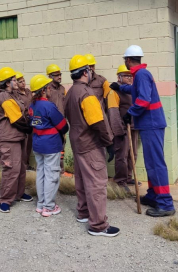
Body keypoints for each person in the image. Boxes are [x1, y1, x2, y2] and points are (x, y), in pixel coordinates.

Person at [110, 45, 176, 217]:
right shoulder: (140, 75)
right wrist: (119, 87)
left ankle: (165, 203)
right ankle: (154, 195)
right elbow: (135, 90)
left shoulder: (141, 75)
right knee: (151, 164)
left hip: (152, 124)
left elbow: (144, 99)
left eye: (125, 60)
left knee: (156, 164)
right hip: (149, 125)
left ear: (128, 60)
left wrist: (129, 114)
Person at [64, 55, 119, 237]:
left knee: (82, 178)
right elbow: (98, 123)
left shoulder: (70, 92)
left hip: (77, 142)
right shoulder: (87, 94)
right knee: (96, 183)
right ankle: (98, 225)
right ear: (86, 72)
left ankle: (84, 213)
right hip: (90, 144)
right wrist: (109, 142)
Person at [0, 67, 33, 213]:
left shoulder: (14, 95)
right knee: (12, 168)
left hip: (17, 136)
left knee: (21, 166)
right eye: (14, 80)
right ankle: (5, 199)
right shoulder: (4, 96)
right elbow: (16, 119)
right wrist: (31, 128)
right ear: (7, 83)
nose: (16, 82)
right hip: (7, 137)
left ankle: (18, 193)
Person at [29, 74, 69, 217]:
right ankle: (49, 207)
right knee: (52, 175)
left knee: (41, 173)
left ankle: (41, 204)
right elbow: (63, 126)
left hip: (38, 144)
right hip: (51, 144)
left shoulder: (32, 105)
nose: (50, 90)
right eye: (49, 88)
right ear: (44, 89)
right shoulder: (48, 105)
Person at [107, 65, 138, 190]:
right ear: (119, 77)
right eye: (126, 76)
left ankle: (128, 177)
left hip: (134, 128)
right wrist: (119, 130)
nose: (129, 78)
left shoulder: (132, 90)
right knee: (122, 156)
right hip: (123, 130)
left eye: (131, 76)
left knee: (133, 154)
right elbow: (113, 113)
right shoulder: (113, 92)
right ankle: (120, 180)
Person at [46, 64, 66, 172]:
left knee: (61, 146)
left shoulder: (62, 89)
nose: (59, 77)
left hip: (61, 123)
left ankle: (61, 169)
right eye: (56, 75)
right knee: (52, 147)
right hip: (50, 124)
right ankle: (53, 170)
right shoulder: (47, 89)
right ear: (50, 76)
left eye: (60, 74)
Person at [15, 71, 34, 170]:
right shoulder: (16, 94)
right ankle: (23, 165)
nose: (23, 83)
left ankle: (27, 163)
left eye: (23, 80)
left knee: (30, 143)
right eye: (20, 81)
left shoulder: (28, 91)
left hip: (31, 120)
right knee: (24, 143)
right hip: (23, 121)